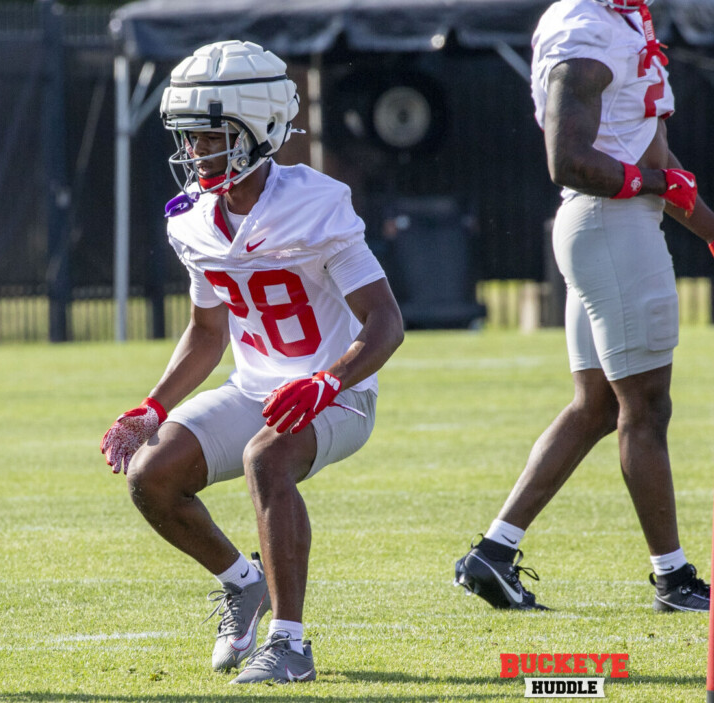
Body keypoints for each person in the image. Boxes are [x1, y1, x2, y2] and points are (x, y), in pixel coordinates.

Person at [100, 40, 404, 686]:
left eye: (210, 138)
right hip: (256, 386)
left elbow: (386, 322)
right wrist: (152, 406)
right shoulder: (192, 223)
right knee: (151, 474)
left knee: (265, 457)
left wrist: (329, 379)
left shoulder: (316, 202)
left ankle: (289, 642)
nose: (196, 153)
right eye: (190, 139)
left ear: (258, 128)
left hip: (338, 392)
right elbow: (207, 332)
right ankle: (243, 582)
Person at [455, 0, 714, 613]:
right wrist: (657, 187)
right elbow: (567, 158)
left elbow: (655, 156)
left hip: (608, 225)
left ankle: (492, 554)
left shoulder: (621, 20)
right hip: (612, 225)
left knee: (597, 406)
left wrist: (708, 227)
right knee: (645, 407)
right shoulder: (587, 26)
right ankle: (673, 581)